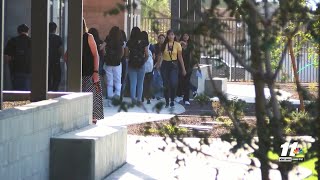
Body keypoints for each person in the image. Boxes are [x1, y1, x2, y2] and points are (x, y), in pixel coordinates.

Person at [155, 30, 187, 108]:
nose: (170, 36)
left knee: (173, 83)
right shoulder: (164, 44)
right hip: (165, 65)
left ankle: (172, 99)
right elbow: (161, 55)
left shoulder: (177, 45)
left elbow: (180, 57)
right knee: (165, 84)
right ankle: (167, 101)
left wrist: (183, 69)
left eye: (172, 34)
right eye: (169, 35)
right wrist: (158, 64)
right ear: (167, 36)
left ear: (174, 36)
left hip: (174, 65)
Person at [82, 19, 104, 124]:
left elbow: (96, 54)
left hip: (90, 73)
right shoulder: (72, 37)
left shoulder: (88, 37)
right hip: (78, 74)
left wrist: (95, 71)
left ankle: (93, 117)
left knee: (92, 95)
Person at [4, 24, 31, 91]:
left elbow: (7, 57)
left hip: (15, 70)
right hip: (29, 70)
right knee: (27, 89)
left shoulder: (12, 41)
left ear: (18, 31)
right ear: (28, 31)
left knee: (16, 89)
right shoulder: (32, 41)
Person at [127, 27, 149, 104]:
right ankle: (139, 99)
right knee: (140, 83)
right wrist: (143, 61)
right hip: (141, 64)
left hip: (131, 64)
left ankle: (133, 99)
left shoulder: (129, 42)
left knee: (133, 83)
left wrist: (130, 58)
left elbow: (126, 54)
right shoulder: (144, 42)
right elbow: (147, 54)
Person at [104, 26, 124, 106]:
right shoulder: (120, 40)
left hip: (108, 63)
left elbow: (102, 47)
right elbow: (122, 51)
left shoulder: (108, 39)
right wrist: (119, 58)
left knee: (109, 81)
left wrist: (106, 54)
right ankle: (117, 97)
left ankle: (110, 100)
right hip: (117, 63)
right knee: (118, 80)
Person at [177, 33, 198, 105]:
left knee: (186, 82)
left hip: (189, 66)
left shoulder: (191, 45)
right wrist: (181, 43)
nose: (185, 37)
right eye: (184, 35)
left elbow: (194, 55)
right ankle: (193, 89)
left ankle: (186, 99)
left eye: (187, 35)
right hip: (180, 66)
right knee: (181, 81)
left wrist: (196, 64)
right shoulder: (179, 44)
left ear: (189, 37)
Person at [89, 28, 107, 96]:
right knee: (97, 77)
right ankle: (97, 92)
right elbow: (104, 52)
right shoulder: (100, 42)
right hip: (99, 61)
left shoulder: (87, 41)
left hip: (89, 61)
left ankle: (90, 90)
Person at [48, 22, 63, 91]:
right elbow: (60, 50)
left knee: (48, 77)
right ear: (55, 29)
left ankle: (48, 90)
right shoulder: (58, 38)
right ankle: (54, 90)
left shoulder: (45, 37)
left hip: (46, 62)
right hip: (56, 61)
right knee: (57, 78)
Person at [141, 31, 155, 104]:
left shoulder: (139, 44)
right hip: (149, 66)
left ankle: (141, 97)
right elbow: (154, 56)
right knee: (149, 83)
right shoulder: (150, 45)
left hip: (141, 65)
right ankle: (148, 98)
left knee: (141, 82)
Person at [152, 34, 165, 100]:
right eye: (160, 38)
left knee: (160, 81)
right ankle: (154, 94)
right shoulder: (155, 46)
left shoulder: (166, 47)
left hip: (163, 66)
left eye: (162, 38)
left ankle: (159, 95)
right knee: (154, 80)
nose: (161, 39)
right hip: (154, 66)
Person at [120, 30, 129, 101]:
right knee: (123, 78)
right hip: (123, 61)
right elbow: (126, 54)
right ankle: (121, 95)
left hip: (114, 61)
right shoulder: (125, 43)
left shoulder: (113, 41)